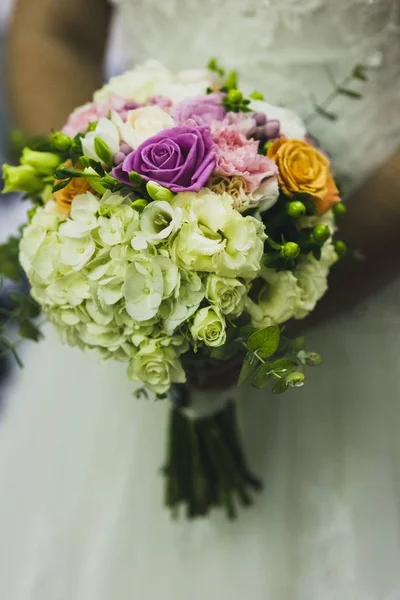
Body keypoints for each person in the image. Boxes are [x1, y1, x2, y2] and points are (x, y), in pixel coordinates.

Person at [1, 0, 400, 598]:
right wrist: (99, 210)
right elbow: (55, 30)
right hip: (130, 290)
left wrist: (291, 296)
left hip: (372, 282)